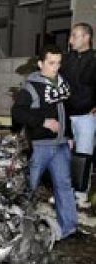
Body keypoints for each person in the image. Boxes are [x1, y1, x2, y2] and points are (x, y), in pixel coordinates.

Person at [12, 45, 78, 240]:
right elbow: (18, 112)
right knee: (29, 188)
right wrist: (43, 121)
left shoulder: (61, 85)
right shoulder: (32, 86)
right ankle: (21, 230)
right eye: (51, 63)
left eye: (58, 63)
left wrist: (69, 135)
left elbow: (65, 112)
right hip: (40, 147)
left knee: (64, 186)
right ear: (41, 63)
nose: (55, 68)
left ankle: (69, 228)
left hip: (61, 145)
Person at [60, 22, 96, 208]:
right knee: (64, 155)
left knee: (83, 154)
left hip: (86, 117)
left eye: (74, 35)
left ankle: (81, 195)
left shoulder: (95, 59)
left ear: (86, 37)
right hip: (65, 115)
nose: (70, 39)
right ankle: (65, 192)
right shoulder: (66, 60)